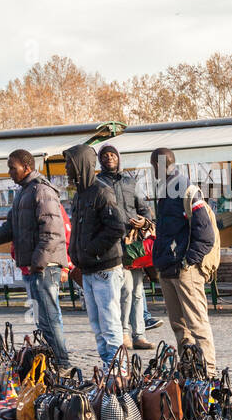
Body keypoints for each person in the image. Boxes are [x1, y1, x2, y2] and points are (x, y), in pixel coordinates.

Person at [0, 150, 71, 369]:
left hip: (44, 267)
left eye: (13, 167)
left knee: (50, 318)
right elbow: (11, 226)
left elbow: (52, 232)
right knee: (42, 320)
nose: (10, 171)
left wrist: (37, 264)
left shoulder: (42, 190)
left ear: (27, 167)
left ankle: (63, 364)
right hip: (33, 267)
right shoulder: (24, 192)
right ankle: (53, 363)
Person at [151, 147, 218, 375]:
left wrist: (189, 261)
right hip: (168, 268)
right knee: (179, 327)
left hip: (184, 270)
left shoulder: (186, 190)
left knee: (197, 325)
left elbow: (205, 233)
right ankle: (189, 371)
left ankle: (209, 374)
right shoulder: (164, 191)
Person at [64, 143, 126, 369]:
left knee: (109, 324)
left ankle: (118, 372)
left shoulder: (101, 191)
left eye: (69, 163)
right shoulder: (80, 195)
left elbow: (117, 228)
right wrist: (76, 254)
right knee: (97, 325)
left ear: (80, 165)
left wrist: (90, 250)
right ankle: (109, 369)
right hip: (89, 270)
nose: (65, 168)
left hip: (105, 270)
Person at [97, 145, 152, 350]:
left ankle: (139, 335)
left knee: (137, 291)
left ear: (118, 158)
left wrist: (143, 221)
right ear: (100, 160)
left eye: (112, 154)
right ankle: (124, 333)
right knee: (125, 291)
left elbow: (145, 210)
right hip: (111, 244)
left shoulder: (130, 182)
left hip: (133, 243)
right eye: (105, 155)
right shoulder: (97, 183)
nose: (109, 158)